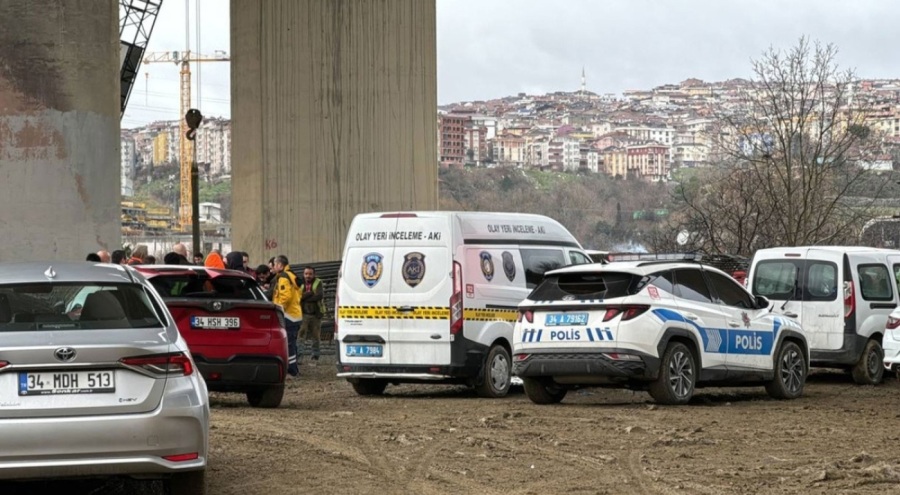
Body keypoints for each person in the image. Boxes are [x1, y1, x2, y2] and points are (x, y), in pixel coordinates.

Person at [272, 255, 302, 376]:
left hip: (288, 315)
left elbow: (285, 297)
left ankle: (292, 370)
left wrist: (277, 309)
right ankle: (294, 368)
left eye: (275, 264)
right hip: (295, 314)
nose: (274, 267)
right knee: (292, 344)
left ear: (280, 265)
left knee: (289, 344)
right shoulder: (292, 275)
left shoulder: (283, 277)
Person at [298, 266, 326, 366]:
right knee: (301, 336)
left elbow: (319, 295)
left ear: (314, 274)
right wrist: (310, 294)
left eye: (310, 274)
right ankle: (299, 357)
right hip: (303, 313)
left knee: (316, 336)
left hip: (316, 314)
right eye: (306, 274)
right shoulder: (300, 283)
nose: (308, 276)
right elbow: (298, 297)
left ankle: (315, 356)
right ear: (303, 274)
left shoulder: (318, 282)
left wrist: (305, 297)